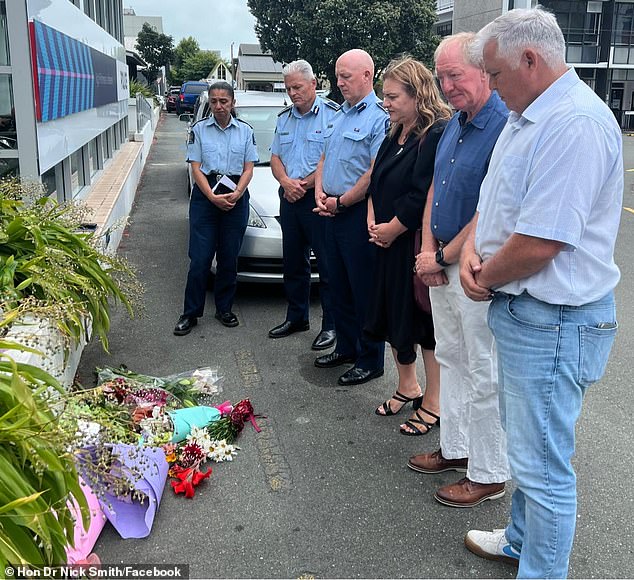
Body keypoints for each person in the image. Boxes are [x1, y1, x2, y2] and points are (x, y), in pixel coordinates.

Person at [460, 9, 622, 578]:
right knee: (528, 452)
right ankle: (520, 542)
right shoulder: (526, 113)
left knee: (543, 465)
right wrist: (475, 248)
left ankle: (541, 568)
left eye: (496, 73)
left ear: (531, 60)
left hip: (554, 318)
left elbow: (541, 241)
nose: (492, 87)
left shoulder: (573, 123)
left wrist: (482, 275)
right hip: (528, 312)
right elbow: (494, 199)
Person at [408, 33, 510, 505]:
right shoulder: (455, 123)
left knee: (483, 370)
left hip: (473, 270)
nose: (447, 86)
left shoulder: (503, 126)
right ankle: (457, 447)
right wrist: (428, 248)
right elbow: (436, 190)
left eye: (456, 75)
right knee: (451, 359)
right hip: (442, 263)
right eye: (441, 76)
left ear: (484, 72)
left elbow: (490, 208)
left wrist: (444, 257)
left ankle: (489, 472)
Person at [363, 56, 450, 435]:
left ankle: (433, 401)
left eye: (393, 96)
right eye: (384, 95)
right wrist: (371, 218)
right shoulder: (392, 132)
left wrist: (393, 229)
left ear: (418, 95)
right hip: (384, 241)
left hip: (410, 243)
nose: (386, 102)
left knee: (421, 322)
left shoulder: (432, 135)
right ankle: (406, 385)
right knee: (392, 316)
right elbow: (376, 181)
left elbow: (421, 195)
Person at [313, 49, 389, 386]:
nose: (339, 82)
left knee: (363, 290)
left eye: (346, 76)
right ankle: (346, 347)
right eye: (338, 75)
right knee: (337, 285)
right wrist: (320, 191)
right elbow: (325, 156)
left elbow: (374, 173)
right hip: (330, 211)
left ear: (367, 76)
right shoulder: (338, 114)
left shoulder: (379, 117)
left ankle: (370, 359)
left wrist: (341, 202)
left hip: (357, 213)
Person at [174, 82, 258, 335]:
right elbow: (195, 167)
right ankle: (190, 313)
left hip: (235, 193)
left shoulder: (245, 131)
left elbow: (249, 168)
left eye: (224, 101)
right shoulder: (199, 130)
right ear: (209, 103)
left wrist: (237, 194)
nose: (219, 106)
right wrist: (211, 196)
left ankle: (224, 308)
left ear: (233, 103)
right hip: (206, 196)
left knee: (228, 258)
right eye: (214, 101)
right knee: (199, 259)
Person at [268, 60, 339, 351]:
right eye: (288, 89)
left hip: (317, 198)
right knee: (293, 263)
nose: (293, 93)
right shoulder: (284, 118)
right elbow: (275, 158)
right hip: (289, 197)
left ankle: (331, 325)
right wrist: (286, 182)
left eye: (297, 87)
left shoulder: (332, 116)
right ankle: (296, 316)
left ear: (313, 84)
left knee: (327, 265)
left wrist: (304, 186)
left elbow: (331, 161)